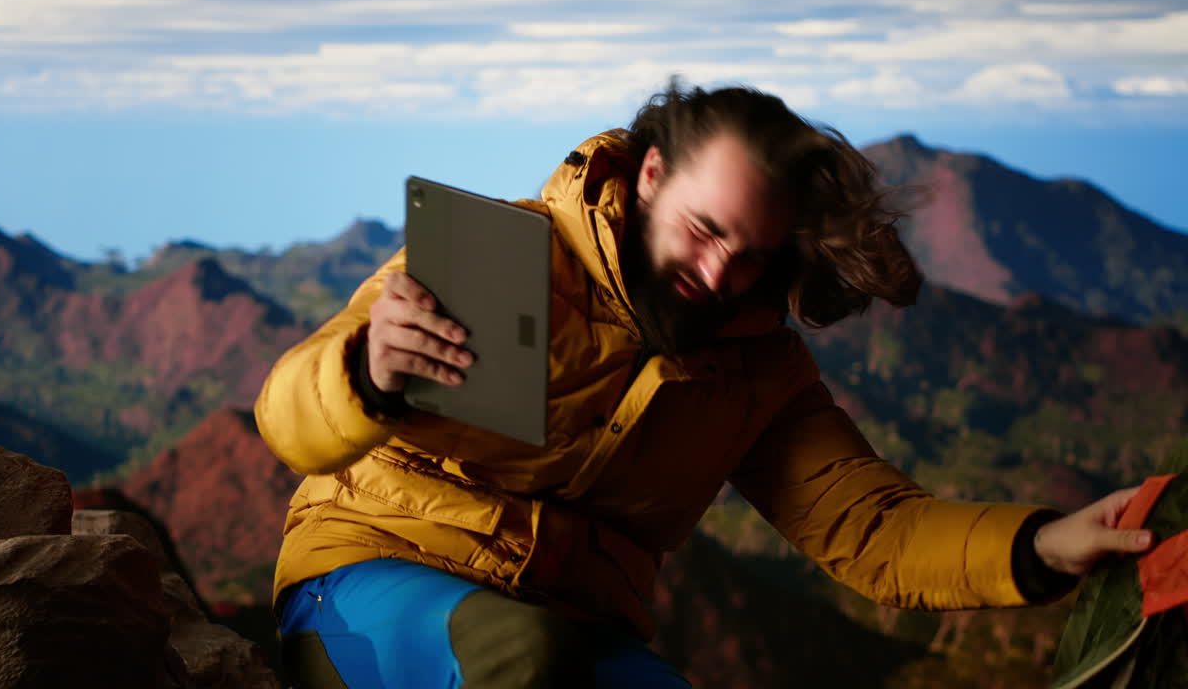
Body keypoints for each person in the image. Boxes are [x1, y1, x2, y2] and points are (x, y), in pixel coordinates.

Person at [254, 81, 1156, 688]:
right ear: (650, 176)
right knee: (521, 659)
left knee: (556, 659)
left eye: (752, 254)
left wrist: (1044, 545)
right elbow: (286, 419)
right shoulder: (499, 258)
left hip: (573, 631)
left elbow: (877, 532)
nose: (720, 273)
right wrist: (366, 374)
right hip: (370, 580)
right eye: (704, 228)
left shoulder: (755, 370)